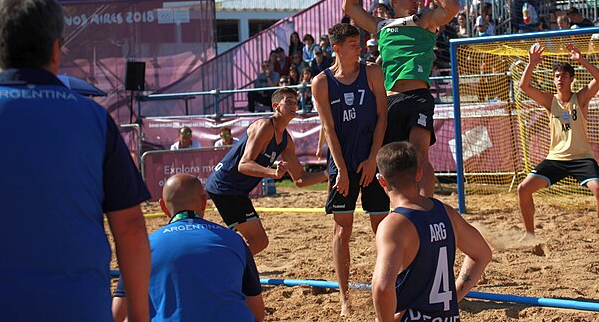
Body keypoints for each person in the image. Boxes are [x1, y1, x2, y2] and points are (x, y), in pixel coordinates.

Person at [0, 0, 151, 321]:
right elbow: (130, 228)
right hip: (76, 307)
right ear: (56, 49)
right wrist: (141, 317)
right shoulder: (93, 118)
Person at [343, 0, 460, 197]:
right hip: (389, 100)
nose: (415, 0)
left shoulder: (425, 20)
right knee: (390, 157)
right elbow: (349, 5)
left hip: (417, 96)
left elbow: (452, 8)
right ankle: (400, 203)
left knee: (418, 153)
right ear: (394, 2)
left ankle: (427, 206)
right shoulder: (382, 25)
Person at [311, 23, 389, 316]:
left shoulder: (372, 73)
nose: (360, 48)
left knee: (382, 228)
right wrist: (341, 169)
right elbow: (328, 129)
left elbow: (382, 118)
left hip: (371, 160)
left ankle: (387, 286)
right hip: (342, 163)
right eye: (354, 44)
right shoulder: (321, 82)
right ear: (337, 48)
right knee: (343, 231)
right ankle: (345, 298)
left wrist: (373, 159)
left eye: (360, 43)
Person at [112, 174, 264, 322]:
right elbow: (257, 313)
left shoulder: (143, 246)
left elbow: (117, 314)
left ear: (163, 207)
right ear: (204, 202)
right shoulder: (235, 240)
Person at [371, 142, 492, 322]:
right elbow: (482, 254)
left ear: (381, 180)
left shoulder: (394, 225)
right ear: (419, 173)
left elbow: (382, 288)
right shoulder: (447, 213)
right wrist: (454, 296)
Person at [205, 87, 327, 254]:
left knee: (259, 241)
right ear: (276, 106)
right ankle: (229, 269)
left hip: (237, 191)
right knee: (258, 241)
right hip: (224, 186)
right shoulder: (265, 126)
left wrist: (329, 174)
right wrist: (273, 173)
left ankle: (231, 267)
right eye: (288, 102)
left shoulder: (285, 139)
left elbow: (300, 179)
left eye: (295, 102)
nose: (294, 105)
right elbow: (244, 164)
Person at [517, 43, 599, 239]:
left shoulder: (581, 98)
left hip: (581, 158)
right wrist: (531, 63)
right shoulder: (549, 100)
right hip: (556, 158)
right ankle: (529, 234)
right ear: (553, 80)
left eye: (564, 76)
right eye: (557, 76)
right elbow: (524, 86)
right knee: (523, 189)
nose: (560, 79)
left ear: (571, 79)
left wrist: (581, 60)